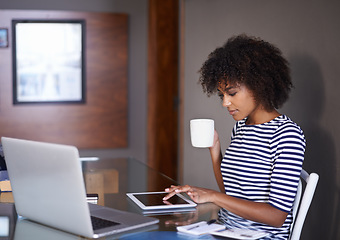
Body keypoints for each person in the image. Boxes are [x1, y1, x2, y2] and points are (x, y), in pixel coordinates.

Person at [163, 34, 305, 239]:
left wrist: (212, 195)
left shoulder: (287, 135)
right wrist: (215, 150)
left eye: (231, 93)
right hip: (225, 230)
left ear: (259, 85)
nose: (225, 103)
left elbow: (276, 216)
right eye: (222, 95)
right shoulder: (241, 127)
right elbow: (232, 192)